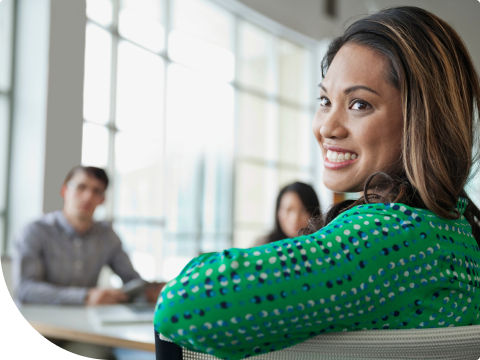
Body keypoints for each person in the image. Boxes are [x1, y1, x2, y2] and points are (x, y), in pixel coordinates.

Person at [153, 6, 480, 359]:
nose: (326, 127)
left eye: (359, 104)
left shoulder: (389, 235)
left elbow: (182, 305)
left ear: (423, 120)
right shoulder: (455, 229)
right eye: (325, 100)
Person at [12, 166, 163, 359]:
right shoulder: (34, 231)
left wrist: (151, 291)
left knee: (105, 356)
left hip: (83, 330)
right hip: (40, 327)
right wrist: (86, 296)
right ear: (65, 190)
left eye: (96, 191)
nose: (87, 196)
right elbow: (26, 289)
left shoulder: (107, 235)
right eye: (81, 187)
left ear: (102, 199)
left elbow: (132, 281)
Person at [255, 182, 320, 246]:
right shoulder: (262, 245)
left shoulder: (321, 245)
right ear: (278, 212)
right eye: (288, 210)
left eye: (303, 210)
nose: (295, 219)